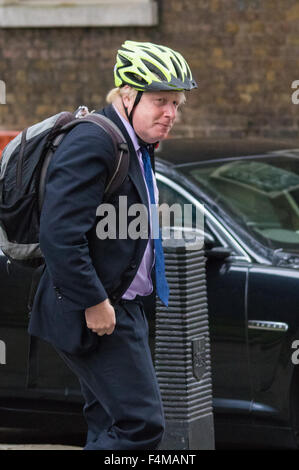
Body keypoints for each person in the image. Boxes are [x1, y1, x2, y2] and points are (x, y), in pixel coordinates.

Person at [28, 40, 197, 450]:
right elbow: (60, 234)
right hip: (97, 310)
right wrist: (94, 301)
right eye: (160, 101)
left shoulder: (137, 145)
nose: (171, 113)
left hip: (123, 306)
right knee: (140, 427)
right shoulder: (95, 141)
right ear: (126, 95)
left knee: (109, 423)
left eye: (176, 103)